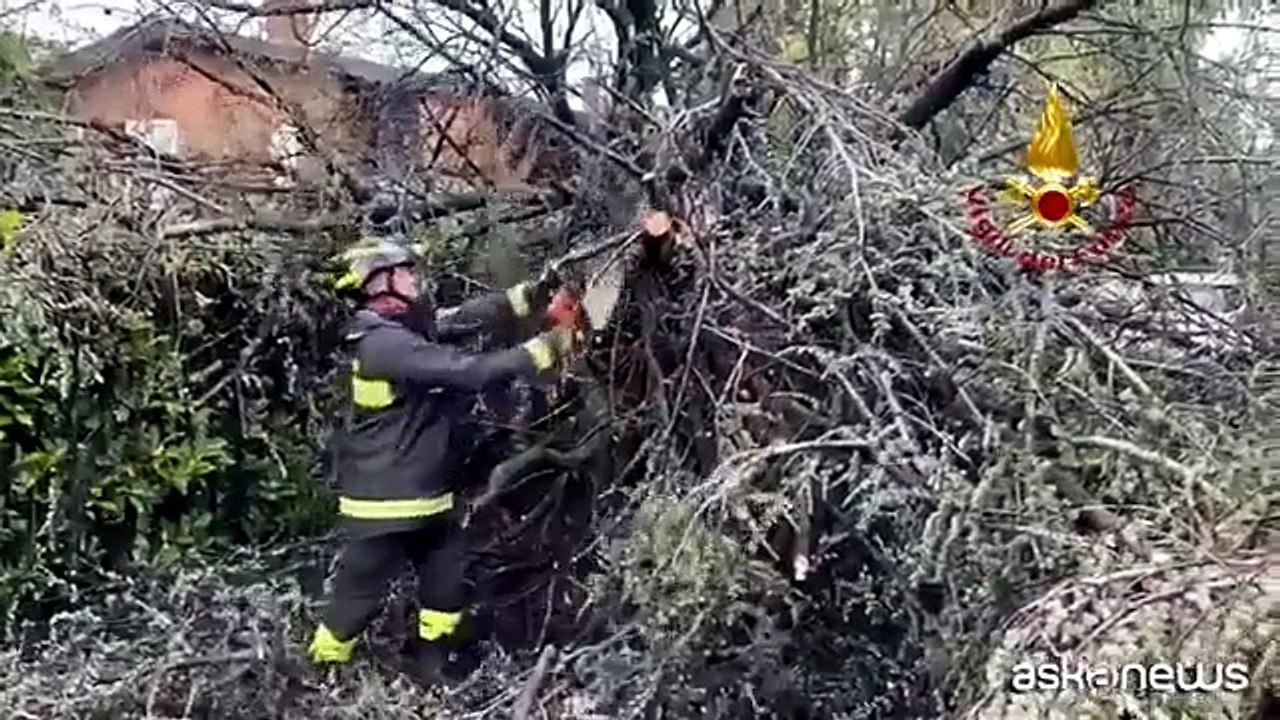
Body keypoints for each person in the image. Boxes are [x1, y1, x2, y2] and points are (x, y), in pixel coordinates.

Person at [307, 237, 580, 682]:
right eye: (404, 272)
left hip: (428, 499)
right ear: (377, 284)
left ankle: (433, 671)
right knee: (353, 605)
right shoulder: (380, 344)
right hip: (383, 508)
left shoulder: (404, 329)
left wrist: (532, 295)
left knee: (447, 590)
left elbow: (463, 318)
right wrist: (548, 347)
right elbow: (469, 372)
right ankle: (319, 676)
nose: (414, 279)